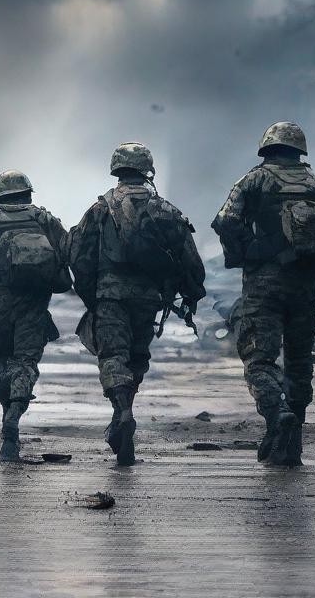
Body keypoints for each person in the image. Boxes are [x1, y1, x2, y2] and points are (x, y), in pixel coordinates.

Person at [211, 121, 315, 468]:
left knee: (259, 360)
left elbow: (225, 220)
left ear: (267, 149)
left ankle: (277, 416)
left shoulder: (254, 180)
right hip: (306, 288)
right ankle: (293, 442)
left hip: (263, 287)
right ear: (299, 150)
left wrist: (247, 252)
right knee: (300, 363)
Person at [69, 142, 205, 466]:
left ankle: (121, 409)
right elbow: (190, 258)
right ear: (148, 170)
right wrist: (191, 293)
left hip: (110, 296)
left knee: (113, 356)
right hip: (148, 298)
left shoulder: (100, 209)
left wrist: (92, 294)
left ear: (117, 169)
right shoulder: (165, 209)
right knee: (136, 356)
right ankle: (124, 411)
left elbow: (78, 255)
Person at [0, 170, 72, 462]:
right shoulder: (44, 219)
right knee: (25, 361)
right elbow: (71, 251)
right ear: (28, 192)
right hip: (35, 304)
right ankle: (13, 418)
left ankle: (5, 395)